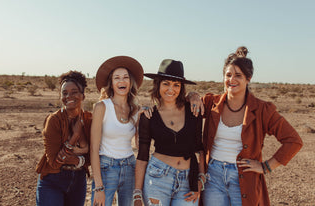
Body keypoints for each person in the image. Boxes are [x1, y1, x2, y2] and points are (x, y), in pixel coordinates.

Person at [190, 46, 303, 206]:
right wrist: (192, 95)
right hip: (212, 177)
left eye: (238, 75)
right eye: (228, 75)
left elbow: (293, 140)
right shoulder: (211, 103)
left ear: (248, 78)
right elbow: (182, 107)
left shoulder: (262, 110)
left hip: (243, 178)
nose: (232, 80)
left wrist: (266, 167)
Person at [134, 59, 205, 206]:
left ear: (181, 87)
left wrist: (201, 179)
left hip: (187, 181)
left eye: (176, 85)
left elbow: (199, 148)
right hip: (157, 179)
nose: (170, 89)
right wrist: (137, 193)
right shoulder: (149, 116)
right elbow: (142, 156)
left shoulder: (193, 111)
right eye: (166, 83)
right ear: (158, 84)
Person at [90, 56, 144, 206]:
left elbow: (139, 145)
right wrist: (98, 186)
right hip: (106, 167)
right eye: (117, 78)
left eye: (126, 77)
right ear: (112, 83)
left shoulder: (136, 109)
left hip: (129, 167)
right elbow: (94, 149)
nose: (122, 81)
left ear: (130, 82)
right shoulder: (102, 107)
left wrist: (143, 122)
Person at [36, 71, 92, 206]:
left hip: (78, 181)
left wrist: (75, 160)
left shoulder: (89, 119)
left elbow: (92, 157)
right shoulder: (54, 120)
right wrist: (75, 136)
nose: (69, 96)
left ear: (83, 95)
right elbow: (55, 162)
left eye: (74, 92)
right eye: (64, 93)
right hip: (52, 180)